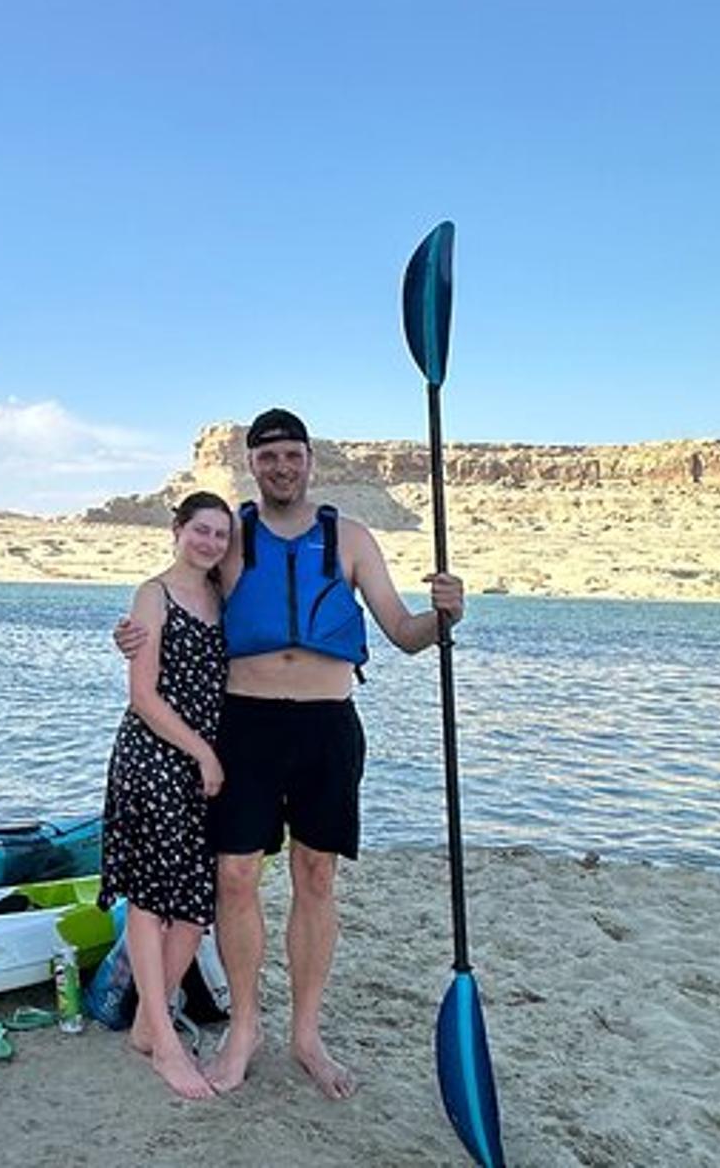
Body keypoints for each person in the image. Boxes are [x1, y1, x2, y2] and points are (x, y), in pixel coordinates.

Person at [115, 408, 464, 1100]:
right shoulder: (233, 537)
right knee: (237, 877)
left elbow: (402, 629)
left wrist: (444, 614)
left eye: (292, 455)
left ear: (311, 461)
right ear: (252, 464)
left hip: (327, 726)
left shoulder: (352, 538)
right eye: (267, 456)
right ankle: (244, 1027)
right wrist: (132, 631)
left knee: (316, 875)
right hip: (244, 725)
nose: (281, 467)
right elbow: (174, 588)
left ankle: (306, 1032)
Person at [100, 491, 232, 1100]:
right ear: (177, 530)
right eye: (200, 530)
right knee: (151, 899)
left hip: (201, 771)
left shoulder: (222, 597)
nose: (209, 543)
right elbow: (143, 695)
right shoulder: (153, 595)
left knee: (195, 903)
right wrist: (202, 751)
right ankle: (163, 1037)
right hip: (154, 758)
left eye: (220, 536)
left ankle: (145, 1026)